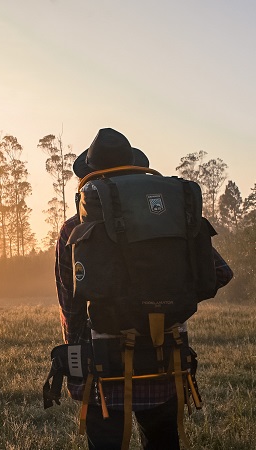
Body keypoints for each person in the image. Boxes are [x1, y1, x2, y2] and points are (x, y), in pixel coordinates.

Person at [55, 128, 234, 450]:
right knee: (164, 440)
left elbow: (70, 301)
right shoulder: (176, 220)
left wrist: (76, 355)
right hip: (167, 350)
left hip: (103, 359)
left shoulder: (74, 228)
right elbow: (220, 273)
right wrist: (169, 300)